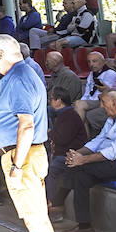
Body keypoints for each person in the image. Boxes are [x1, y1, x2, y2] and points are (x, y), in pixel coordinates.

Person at [0, 34, 55, 232]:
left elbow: (26, 125)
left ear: (3, 53)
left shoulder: (19, 79)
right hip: (19, 154)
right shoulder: (15, 76)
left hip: (22, 156)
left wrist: (16, 166)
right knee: (34, 220)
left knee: (37, 221)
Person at [50, 90, 116, 232]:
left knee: (80, 168)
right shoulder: (112, 119)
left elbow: (114, 152)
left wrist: (82, 159)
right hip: (113, 163)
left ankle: (58, 203)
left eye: (103, 102)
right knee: (79, 175)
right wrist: (78, 153)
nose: (101, 106)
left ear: (115, 104)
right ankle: (84, 227)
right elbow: (98, 141)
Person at [42, 85, 87, 220]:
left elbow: (62, 138)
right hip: (60, 153)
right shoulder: (62, 115)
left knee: (51, 170)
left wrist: (50, 133)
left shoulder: (70, 116)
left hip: (71, 155)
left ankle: (55, 208)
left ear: (58, 101)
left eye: (51, 99)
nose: (50, 102)